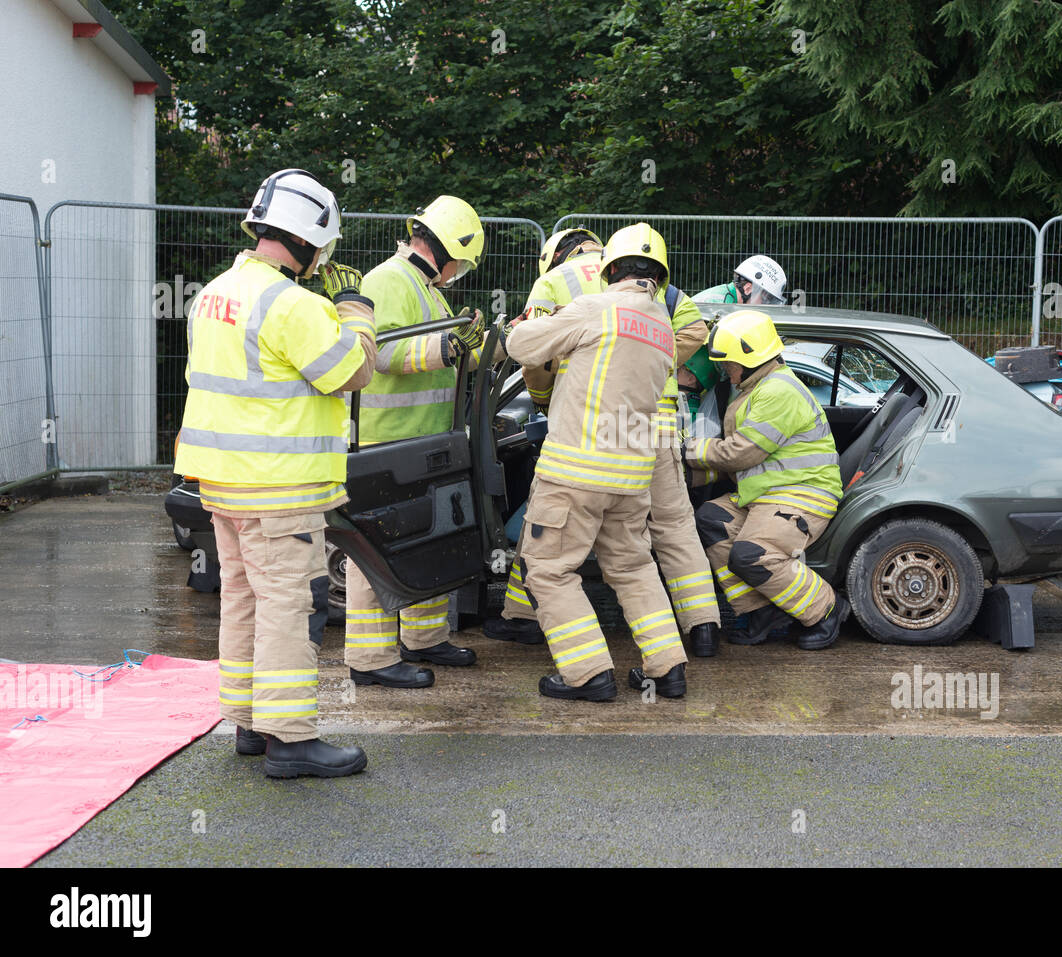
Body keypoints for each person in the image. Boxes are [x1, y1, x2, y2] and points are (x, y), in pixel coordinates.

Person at [174, 168, 375, 778]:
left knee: (243, 598)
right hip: (279, 488)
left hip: (222, 484)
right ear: (310, 238)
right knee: (290, 603)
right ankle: (290, 740)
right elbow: (353, 371)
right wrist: (356, 310)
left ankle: (249, 724)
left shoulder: (212, 293)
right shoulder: (293, 304)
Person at [487, 227, 722, 657]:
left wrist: (546, 397)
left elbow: (530, 354)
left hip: (582, 451)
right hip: (648, 440)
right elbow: (695, 332)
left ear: (610, 269)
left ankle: (555, 644)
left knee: (548, 557)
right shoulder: (663, 318)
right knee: (663, 538)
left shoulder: (569, 292)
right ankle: (688, 644)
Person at [344, 196, 487, 688]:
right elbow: (379, 353)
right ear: (450, 249)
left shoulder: (424, 287)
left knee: (426, 543)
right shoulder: (389, 279)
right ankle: (370, 660)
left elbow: (430, 350)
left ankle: (424, 640)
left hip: (422, 440)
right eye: (462, 262)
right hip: (388, 443)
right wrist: (448, 348)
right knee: (376, 555)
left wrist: (467, 348)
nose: (459, 272)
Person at [683, 309, 852, 651]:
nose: (724, 369)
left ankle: (825, 608)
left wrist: (687, 449)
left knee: (752, 553)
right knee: (711, 521)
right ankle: (760, 610)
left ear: (748, 359)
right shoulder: (756, 386)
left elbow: (741, 453)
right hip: (767, 495)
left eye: (727, 362)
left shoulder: (778, 391)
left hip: (803, 496)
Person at [694, 254, 787, 305]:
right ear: (748, 289)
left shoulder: (730, 300)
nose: (765, 305)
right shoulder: (719, 306)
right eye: (765, 299)